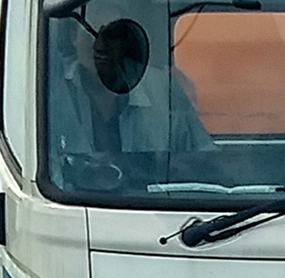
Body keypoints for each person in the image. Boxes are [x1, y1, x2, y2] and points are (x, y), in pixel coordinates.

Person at [45, 20, 213, 168]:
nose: (100, 44)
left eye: (111, 34)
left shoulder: (163, 89)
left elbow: (204, 158)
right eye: (90, 31)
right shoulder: (49, 89)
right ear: (73, 36)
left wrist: (169, 166)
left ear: (125, 41)